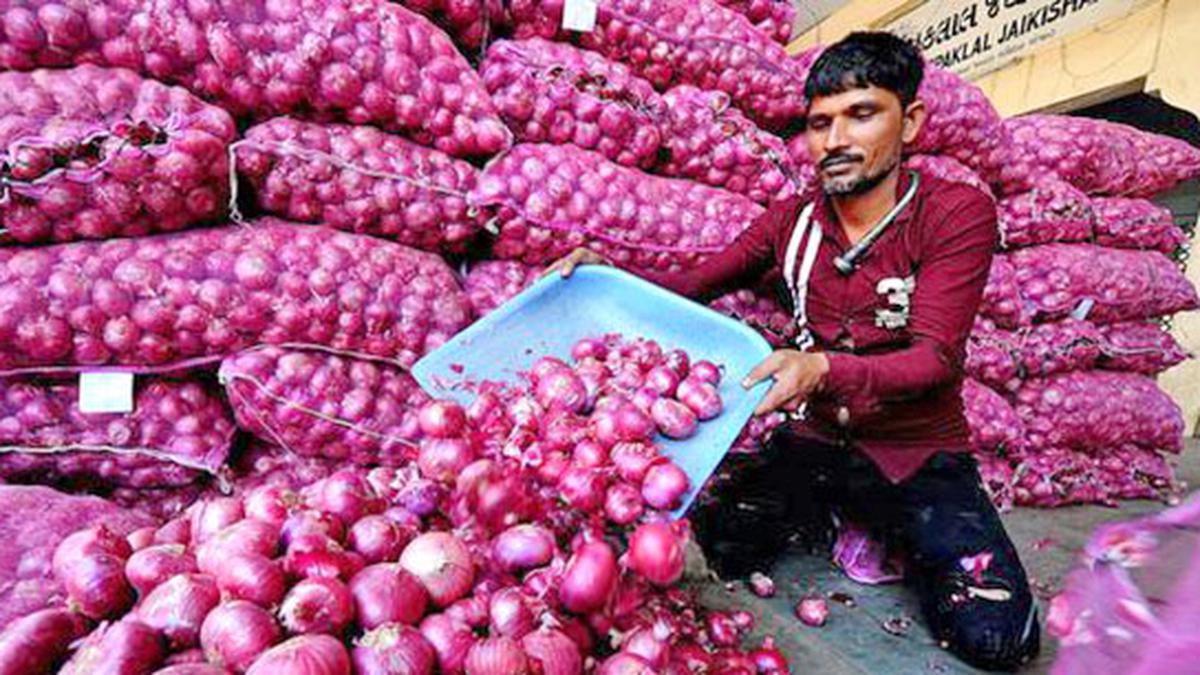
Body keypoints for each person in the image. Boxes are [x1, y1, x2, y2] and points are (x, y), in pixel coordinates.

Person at [547, 31, 1040, 672]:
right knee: (722, 546)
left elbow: (935, 359)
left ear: (910, 121)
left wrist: (822, 368)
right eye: (819, 123)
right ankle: (843, 516)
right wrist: (603, 273)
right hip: (814, 443)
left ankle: (881, 522)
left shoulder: (954, 213)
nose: (835, 140)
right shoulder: (790, 221)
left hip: (915, 451)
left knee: (998, 640)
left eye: (862, 114)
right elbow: (695, 286)